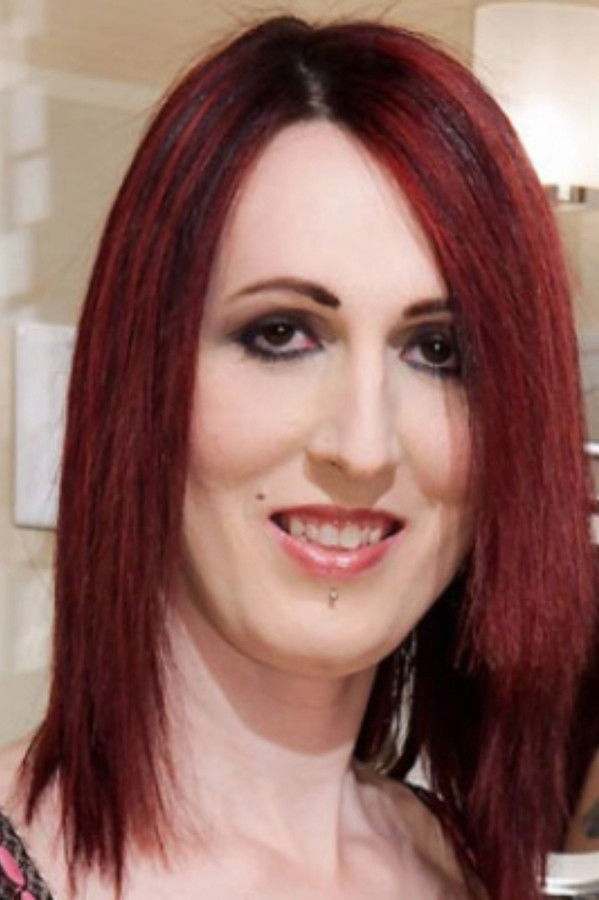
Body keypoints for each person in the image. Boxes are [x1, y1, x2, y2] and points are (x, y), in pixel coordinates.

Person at [0, 14, 595, 900]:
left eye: (437, 352)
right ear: (144, 382)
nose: (361, 447)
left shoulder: (468, 865)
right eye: (280, 334)